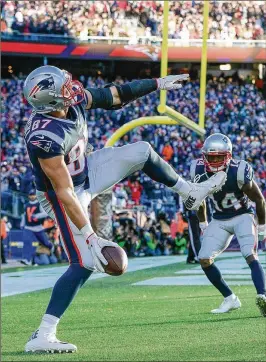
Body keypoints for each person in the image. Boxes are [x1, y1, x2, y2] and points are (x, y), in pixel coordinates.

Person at [22, 65, 226, 353]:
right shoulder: (45, 137)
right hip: (62, 195)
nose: (73, 89)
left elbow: (114, 95)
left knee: (141, 150)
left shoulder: (71, 102)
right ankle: (44, 334)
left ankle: (189, 192)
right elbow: (65, 192)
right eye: (64, 88)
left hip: (86, 171)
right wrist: (91, 236)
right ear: (51, 102)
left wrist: (158, 83)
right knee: (84, 262)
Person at [191, 133, 266, 316]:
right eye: (211, 157)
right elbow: (200, 200)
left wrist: (262, 227)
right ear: (204, 156)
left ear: (229, 155)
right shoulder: (198, 169)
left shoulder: (238, 170)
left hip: (242, 216)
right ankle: (230, 298)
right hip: (219, 219)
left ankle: (263, 296)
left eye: (219, 156)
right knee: (204, 258)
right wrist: (203, 224)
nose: (214, 161)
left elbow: (259, 200)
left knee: (249, 253)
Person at [20, 190, 56, 265]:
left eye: (33, 195)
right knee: (27, 242)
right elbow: (24, 215)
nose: (32, 196)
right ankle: (27, 259)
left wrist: (36, 216)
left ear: (36, 195)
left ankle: (50, 246)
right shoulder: (26, 205)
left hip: (38, 227)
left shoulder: (39, 204)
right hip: (28, 227)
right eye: (30, 195)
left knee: (45, 242)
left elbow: (45, 213)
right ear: (28, 196)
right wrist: (22, 223)